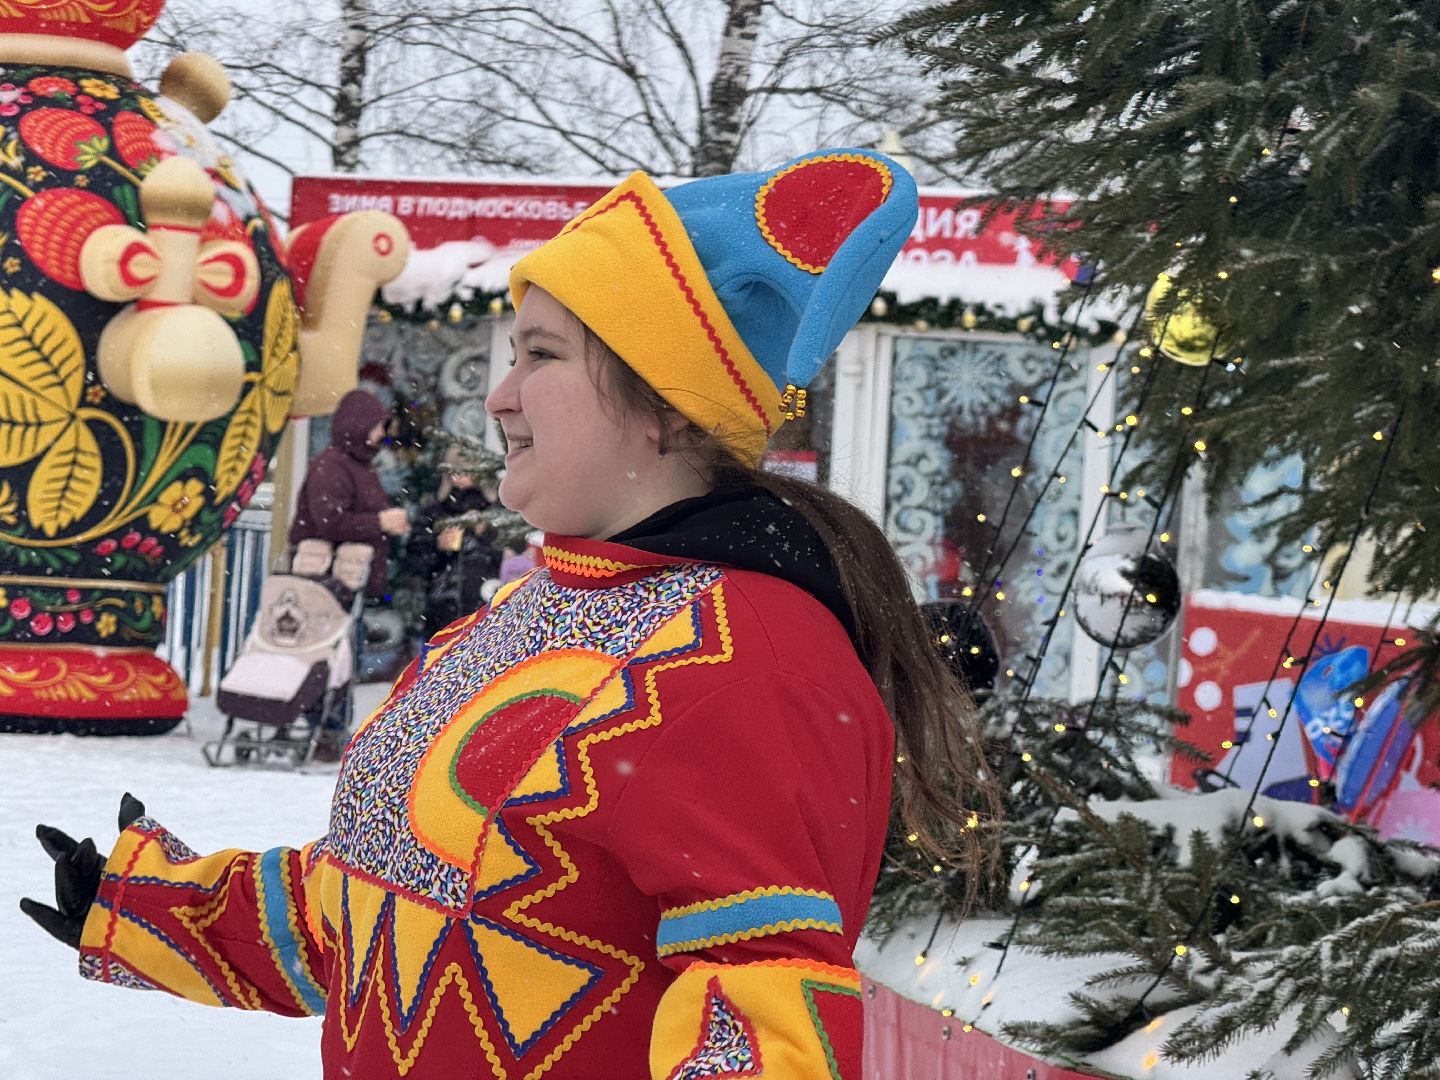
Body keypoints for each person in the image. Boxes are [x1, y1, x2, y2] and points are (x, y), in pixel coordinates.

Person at [21, 149, 1003, 1079]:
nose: (497, 396)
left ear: (662, 403)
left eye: (539, 354)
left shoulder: (749, 659)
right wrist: (151, 905)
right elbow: (370, 906)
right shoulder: (514, 622)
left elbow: (765, 1030)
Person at [288, 388, 411, 600]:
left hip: (348, 585)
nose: (382, 432)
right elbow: (330, 522)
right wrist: (380, 523)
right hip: (327, 589)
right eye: (377, 425)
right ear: (359, 424)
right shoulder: (332, 466)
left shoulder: (359, 464)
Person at [404, 444, 503, 637]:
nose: (459, 479)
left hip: (487, 606)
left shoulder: (497, 510)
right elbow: (415, 561)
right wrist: (437, 546)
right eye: (453, 472)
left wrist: (485, 533)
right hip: (442, 610)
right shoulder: (436, 511)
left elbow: (514, 558)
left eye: (465, 471)